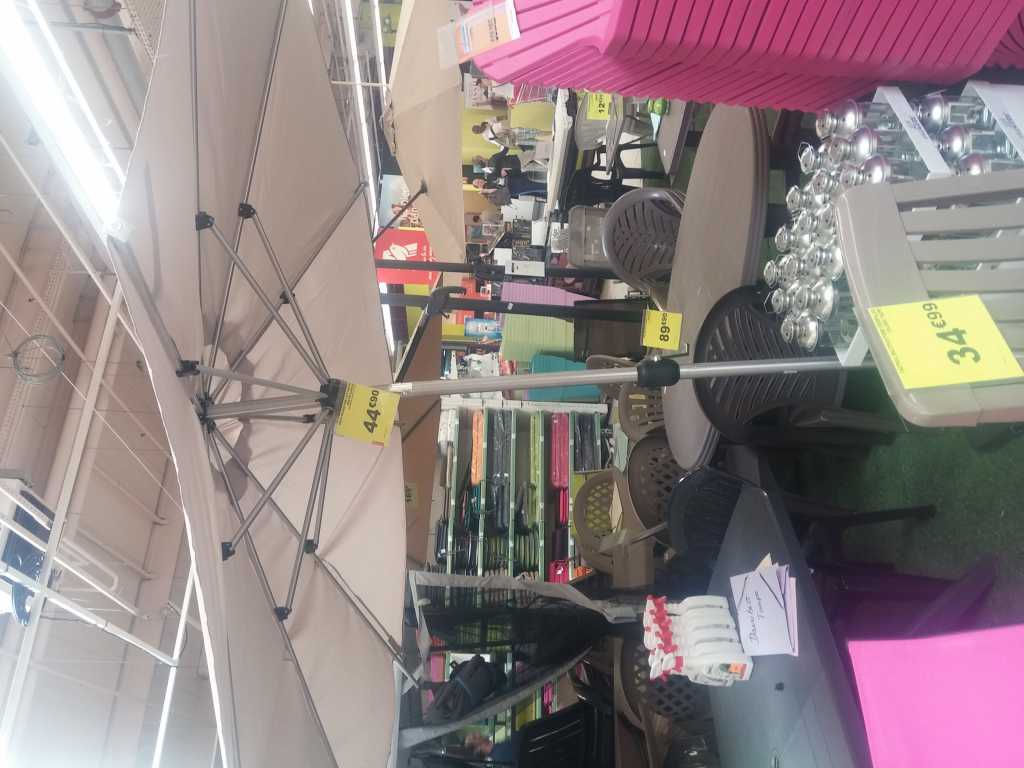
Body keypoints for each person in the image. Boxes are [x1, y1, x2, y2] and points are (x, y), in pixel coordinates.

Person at [472, 120, 551, 150]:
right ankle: (551, 137)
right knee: (535, 134)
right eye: (478, 131)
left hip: (514, 138)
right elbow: (503, 124)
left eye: (478, 130)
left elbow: (499, 143)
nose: (479, 131)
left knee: (535, 138)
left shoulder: (486, 135)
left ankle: (551, 138)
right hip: (514, 134)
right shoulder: (488, 127)